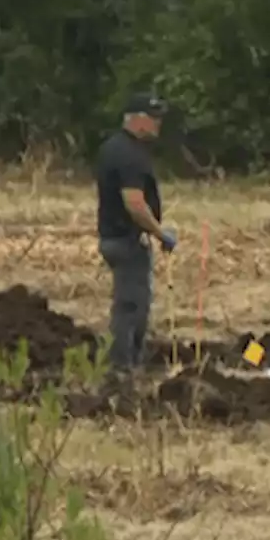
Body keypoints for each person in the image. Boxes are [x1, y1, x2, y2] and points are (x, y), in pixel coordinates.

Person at [94, 92, 180, 373]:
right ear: (138, 120)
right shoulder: (130, 155)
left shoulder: (113, 147)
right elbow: (134, 203)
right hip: (126, 240)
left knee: (132, 303)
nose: (158, 125)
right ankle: (122, 367)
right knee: (131, 307)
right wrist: (160, 233)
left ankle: (126, 362)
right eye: (153, 118)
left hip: (112, 237)